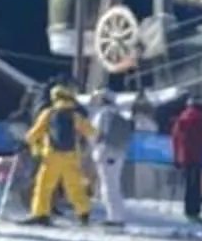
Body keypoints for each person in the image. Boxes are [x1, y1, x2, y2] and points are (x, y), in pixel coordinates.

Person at [24, 84, 95, 223]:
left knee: (43, 186)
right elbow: (90, 131)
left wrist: (28, 141)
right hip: (71, 156)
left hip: (51, 156)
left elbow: (35, 132)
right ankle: (83, 213)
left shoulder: (48, 113)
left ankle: (40, 214)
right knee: (74, 186)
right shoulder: (74, 115)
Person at [170, 94, 202, 224]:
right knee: (196, 184)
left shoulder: (182, 116)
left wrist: (176, 156)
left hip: (183, 155)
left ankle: (188, 209)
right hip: (197, 154)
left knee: (189, 184)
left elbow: (175, 137)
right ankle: (194, 211)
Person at [92, 92, 134, 226]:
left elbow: (95, 133)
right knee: (114, 185)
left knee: (108, 186)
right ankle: (117, 215)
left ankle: (114, 218)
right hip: (118, 153)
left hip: (106, 152)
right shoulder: (119, 115)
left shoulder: (103, 114)